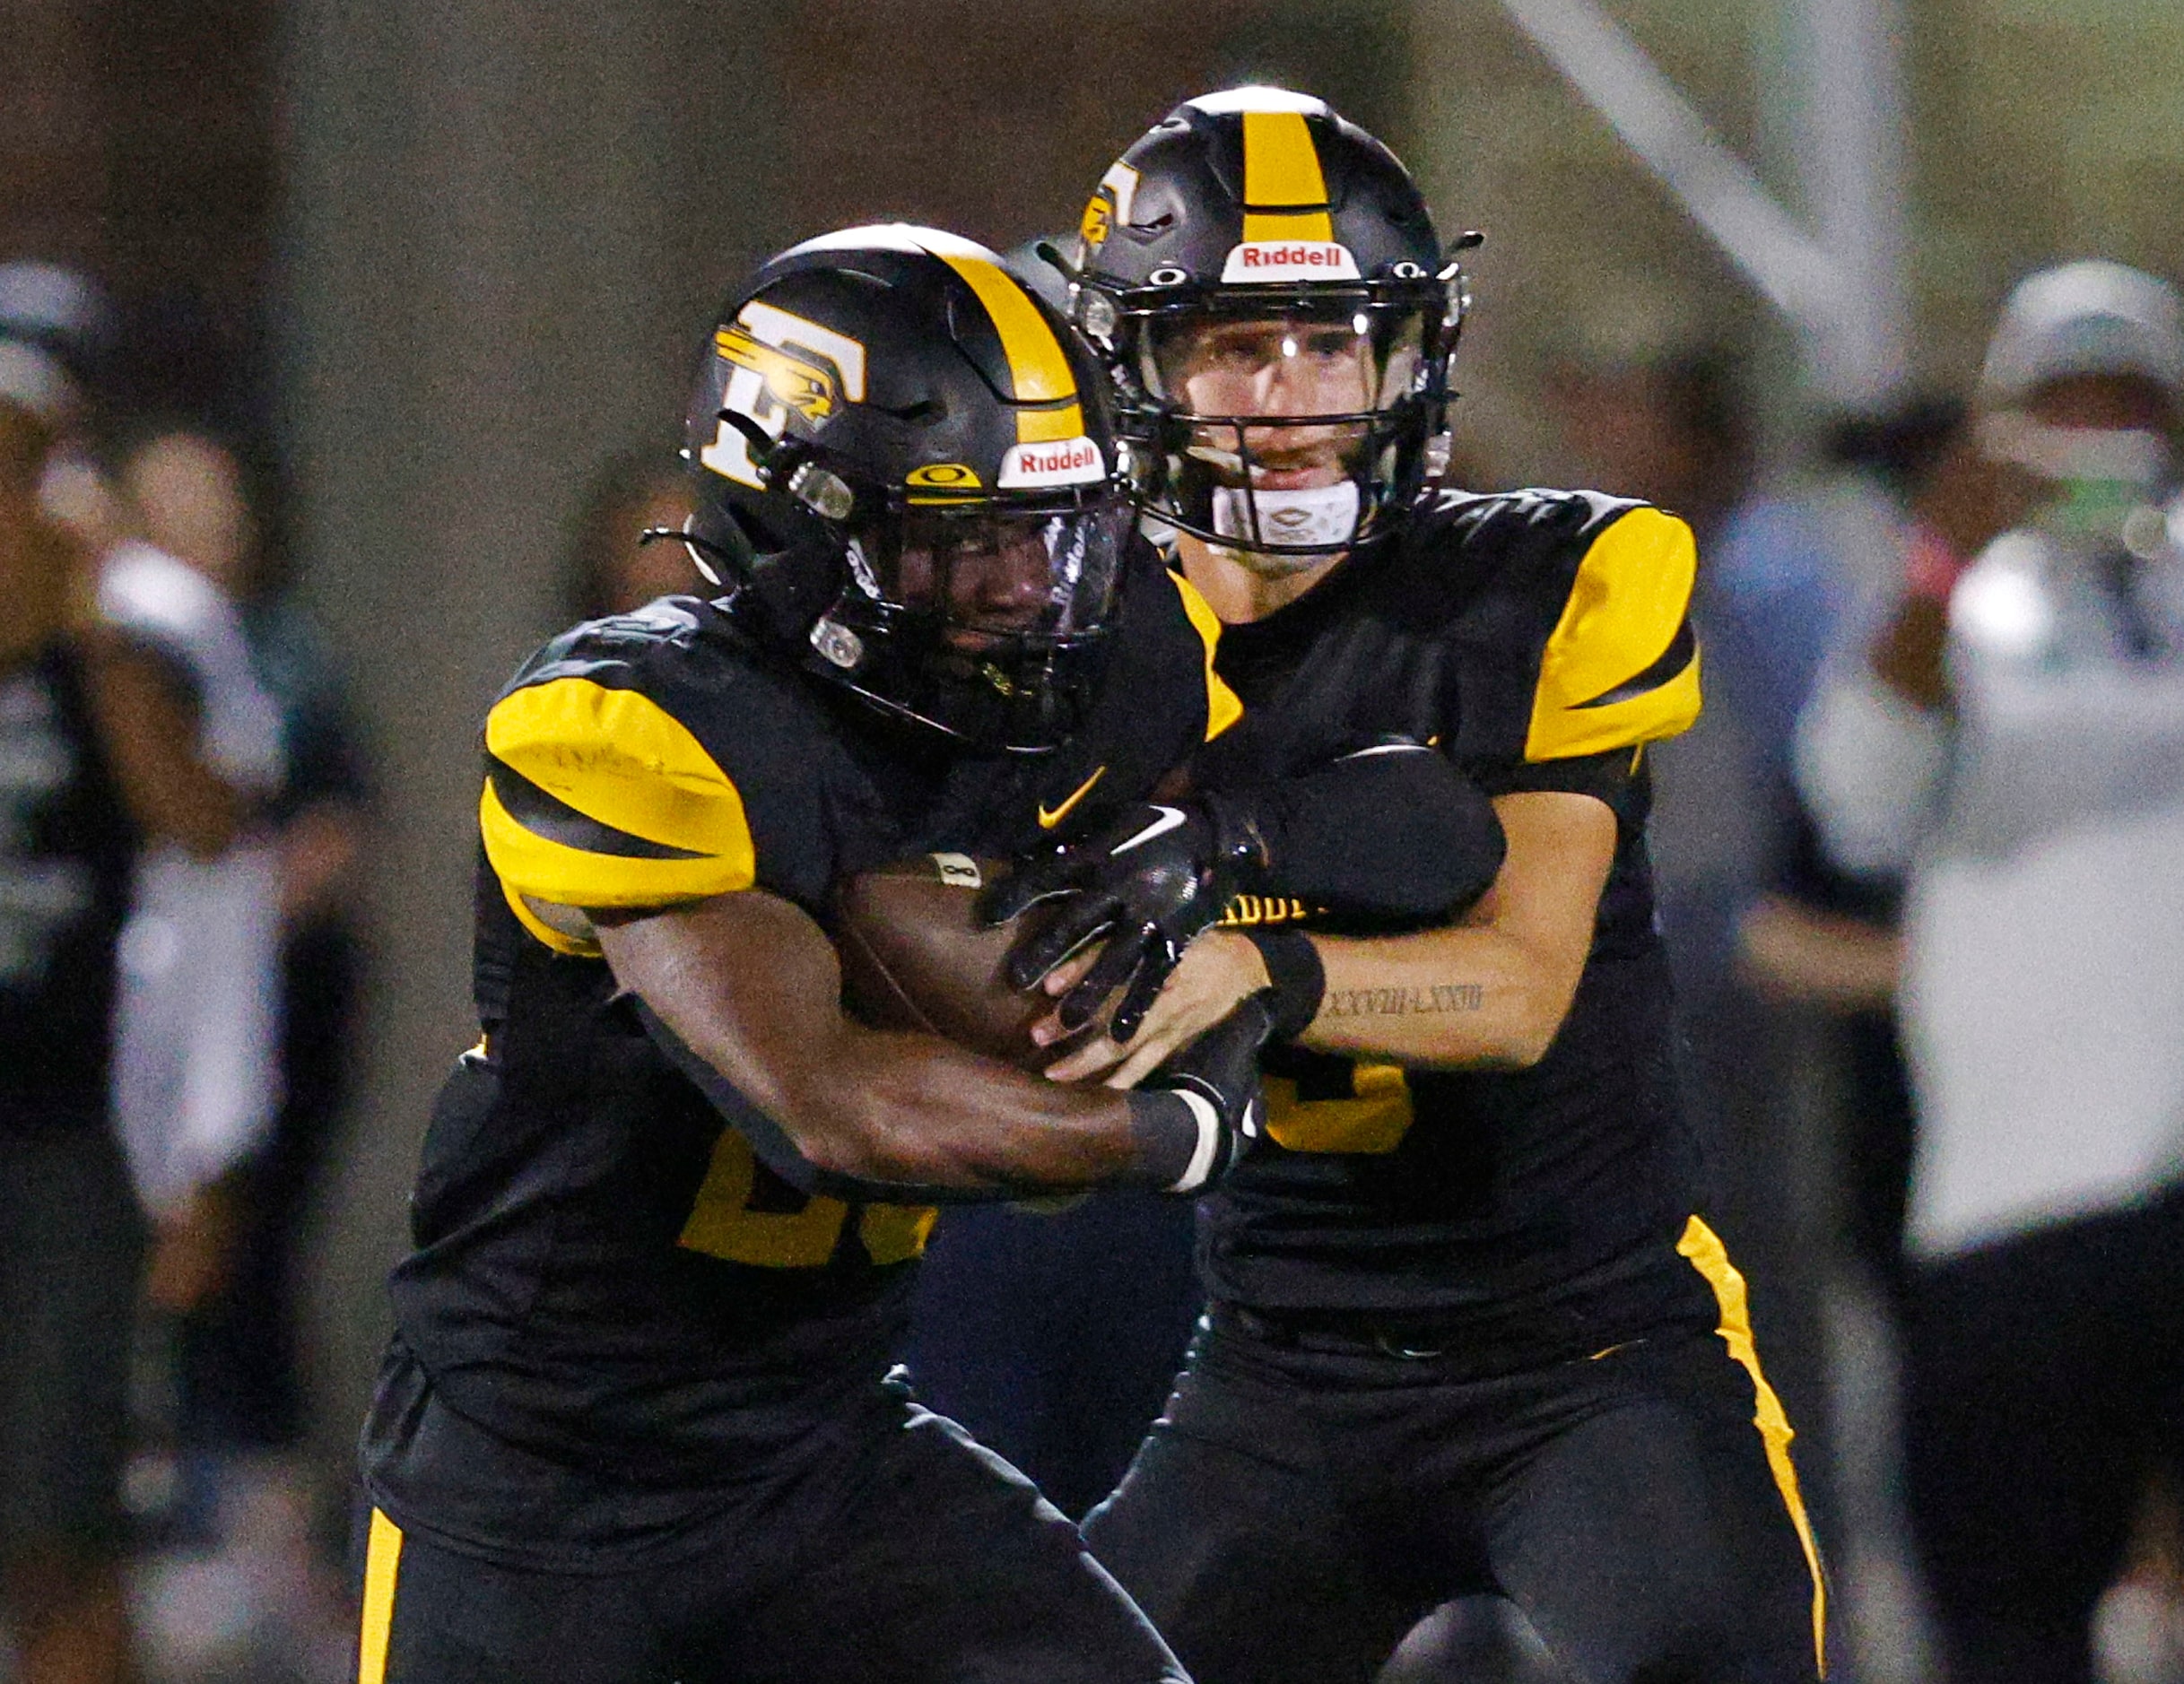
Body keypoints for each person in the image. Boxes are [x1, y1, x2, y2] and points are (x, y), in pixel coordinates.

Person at [354, 223, 1500, 1684]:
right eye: (957, 537)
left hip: (825, 1453)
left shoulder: (1101, 669)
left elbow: (1431, 827)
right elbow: (830, 1104)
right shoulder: (633, 723)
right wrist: (1164, 1122)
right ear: (801, 521)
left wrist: (1221, 850)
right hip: (534, 1487)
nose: (1025, 583)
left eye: (1052, 526)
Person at [993, 88, 1828, 1684]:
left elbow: (1519, 989)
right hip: (1280, 1374)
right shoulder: (1078, 649)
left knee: (1694, 1655)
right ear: (1135, 367)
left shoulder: (1555, 579)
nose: (1295, 395)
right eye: (1237, 346)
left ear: (1405, 356)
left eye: (1330, 340)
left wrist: (1265, 971)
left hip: (1588, 1356)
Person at [1795, 258, 2184, 1684]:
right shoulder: (1960, 609)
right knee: (2012, 1623)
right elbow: (1855, 796)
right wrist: (1942, 565)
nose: (2097, 434)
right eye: (2059, 406)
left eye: (2127, 400)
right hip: (2017, 1205)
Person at [0, 311, 240, 1684]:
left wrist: (92, 629)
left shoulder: (114, 658)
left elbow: (205, 832)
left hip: (58, 1138)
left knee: (63, 1529)